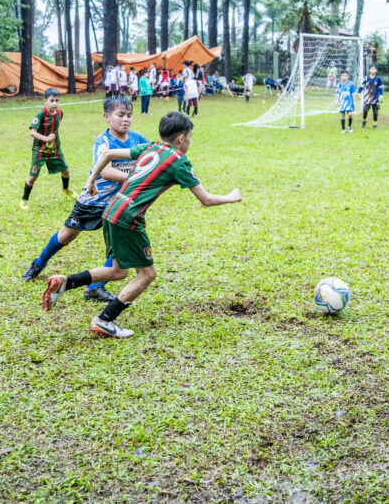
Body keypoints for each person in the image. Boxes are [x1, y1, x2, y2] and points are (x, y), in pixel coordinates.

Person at [40, 112, 242, 338]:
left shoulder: (152, 147)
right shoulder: (179, 162)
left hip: (111, 210)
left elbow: (107, 154)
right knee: (147, 274)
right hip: (129, 218)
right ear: (182, 138)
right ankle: (104, 320)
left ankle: (65, 283)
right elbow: (206, 200)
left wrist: (90, 181)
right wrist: (231, 197)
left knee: (117, 271)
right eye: (191, 137)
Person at [21, 95, 148, 305]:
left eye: (129, 115)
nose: (125, 119)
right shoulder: (103, 141)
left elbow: (149, 160)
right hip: (93, 201)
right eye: (120, 115)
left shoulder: (138, 138)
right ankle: (38, 264)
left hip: (118, 203)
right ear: (107, 117)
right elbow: (106, 171)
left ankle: (95, 287)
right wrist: (134, 179)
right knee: (66, 236)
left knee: (119, 243)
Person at [20, 88, 75, 210]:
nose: (55, 103)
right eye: (52, 100)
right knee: (33, 177)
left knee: (66, 171)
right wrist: (45, 139)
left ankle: (65, 189)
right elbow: (32, 132)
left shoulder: (60, 113)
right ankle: (24, 200)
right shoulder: (40, 114)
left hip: (55, 150)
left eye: (57, 101)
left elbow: (55, 129)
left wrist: (53, 139)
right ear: (45, 101)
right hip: (40, 151)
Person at [358, 65, 384, 129]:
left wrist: (381, 95)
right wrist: (359, 92)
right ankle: (364, 121)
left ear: (376, 70)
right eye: (372, 69)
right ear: (369, 70)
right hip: (367, 97)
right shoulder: (366, 78)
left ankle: (375, 124)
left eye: (374, 69)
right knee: (365, 110)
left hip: (375, 97)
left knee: (375, 111)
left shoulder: (378, 78)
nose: (373, 70)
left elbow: (380, 87)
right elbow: (362, 86)